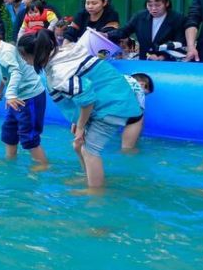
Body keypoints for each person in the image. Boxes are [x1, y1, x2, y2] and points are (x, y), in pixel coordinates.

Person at [18, 28, 141, 189]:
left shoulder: (60, 73)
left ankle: (96, 192)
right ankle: (89, 178)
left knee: (90, 151)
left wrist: (81, 126)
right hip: (113, 98)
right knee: (78, 145)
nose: (24, 61)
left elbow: (87, 98)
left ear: (37, 54)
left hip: (112, 106)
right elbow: (81, 93)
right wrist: (78, 121)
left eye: (24, 56)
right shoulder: (65, 53)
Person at [0, 20, 48, 167]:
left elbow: (15, 72)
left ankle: (42, 166)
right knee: (9, 130)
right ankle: (10, 161)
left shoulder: (7, 52)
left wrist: (9, 95)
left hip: (30, 97)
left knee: (29, 136)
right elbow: (5, 75)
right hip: (17, 98)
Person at [106, 0, 187, 60]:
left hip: (167, 62)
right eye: (150, 5)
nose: (153, 9)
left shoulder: (177, 18)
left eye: (158, 5)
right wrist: (107, 35)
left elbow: (180, 42)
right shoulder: (140, 17)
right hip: (144, 60)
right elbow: (124, 31)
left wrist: (163, 56)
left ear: (167, 3)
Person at [121, 72, 153, 150]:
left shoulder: (120, 79)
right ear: (143, 84)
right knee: (128, 149)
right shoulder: (138, 89)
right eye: (146, 94)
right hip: (130, 112)